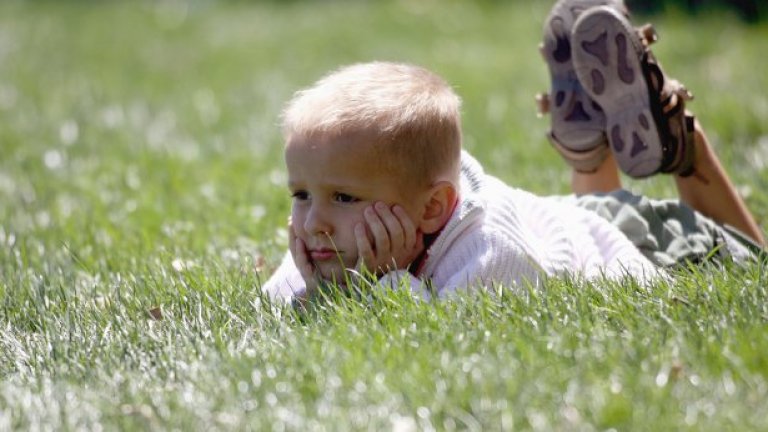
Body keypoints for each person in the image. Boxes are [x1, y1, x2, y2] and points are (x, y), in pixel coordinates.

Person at [262, 0, 765, 304]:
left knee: (747, 259)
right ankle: (589, 138)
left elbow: (445, 336)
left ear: (433, 207)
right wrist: (318, 289)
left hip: (637, 240)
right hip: (571, 223)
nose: (313, 223)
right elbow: (274, 309)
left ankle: (683, 143)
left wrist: (387, 281)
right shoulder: (328, 238)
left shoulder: (492, 256)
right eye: (301, 194)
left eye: (344, 199)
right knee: (588, 223)